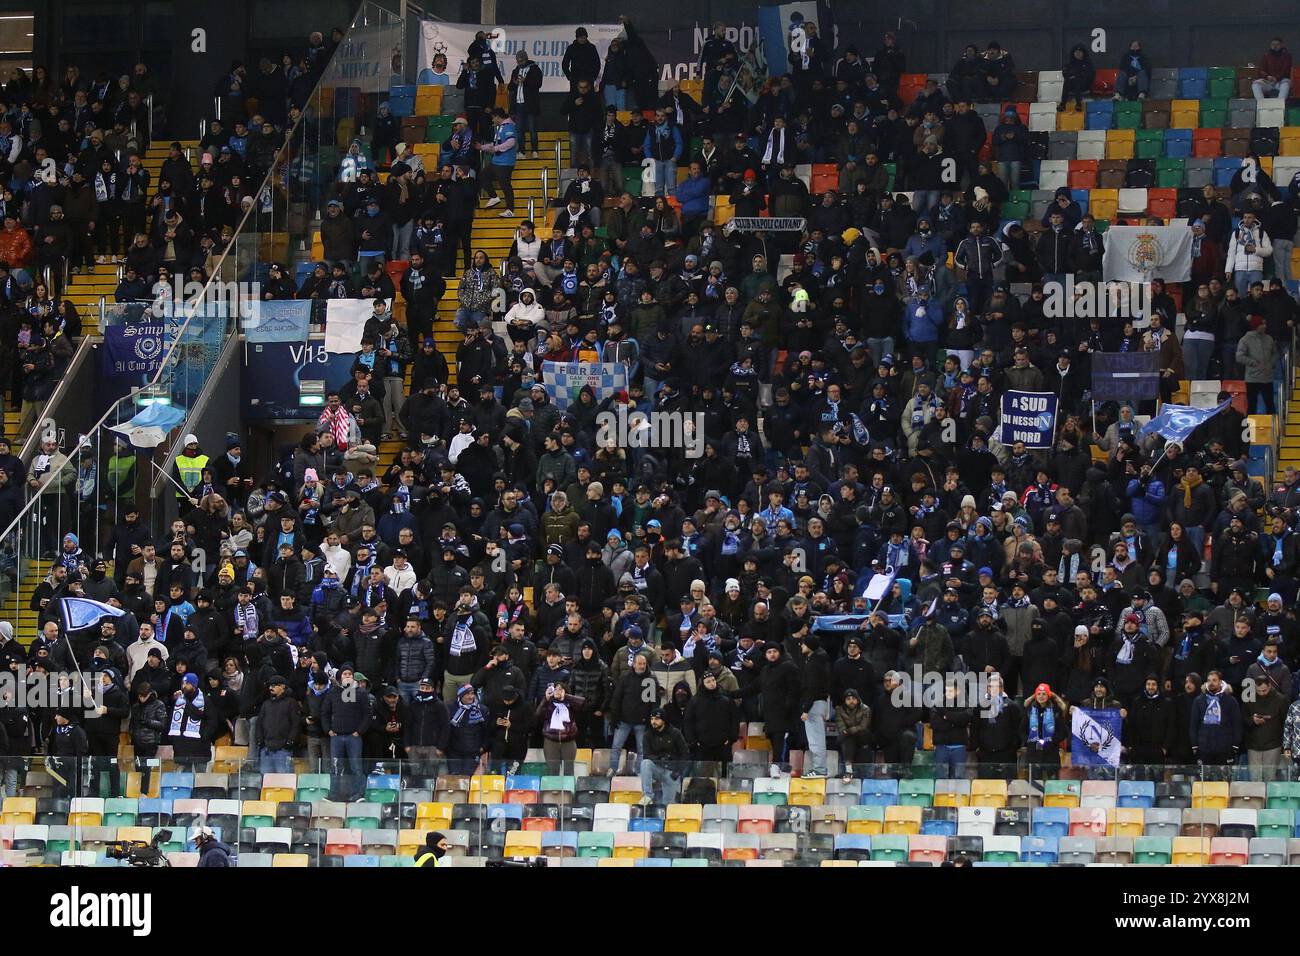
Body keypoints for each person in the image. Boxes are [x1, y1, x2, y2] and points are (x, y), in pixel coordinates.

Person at [640, 706, 688, 804]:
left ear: (664, 720)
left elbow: (685, 754)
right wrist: (659, 759)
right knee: (645, 763)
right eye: (652, 719)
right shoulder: (647, 735)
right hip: (657, 768)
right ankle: (648, 795)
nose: (653, 721)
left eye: (657, 719)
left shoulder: (675, 733)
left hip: (671, 772)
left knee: (668, 805)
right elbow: (647, 755)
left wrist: (677, 772)